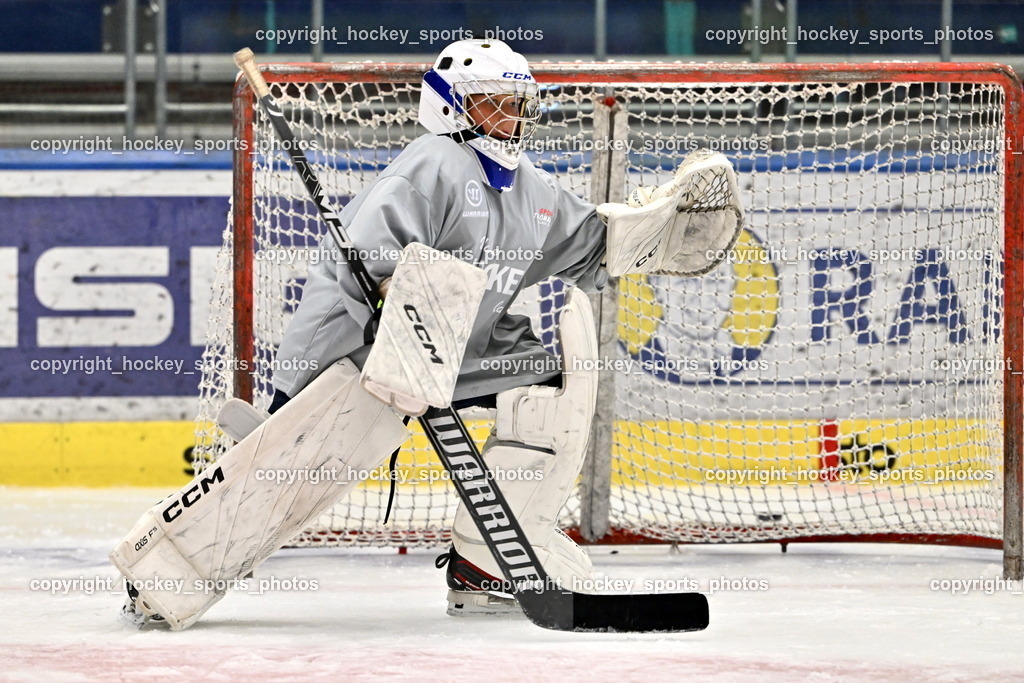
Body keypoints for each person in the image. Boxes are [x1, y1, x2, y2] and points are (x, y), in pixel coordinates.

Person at [268, 38, 608, 616]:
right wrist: (393, 295)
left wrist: (656, 229)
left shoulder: (532, 187)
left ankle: (486, 561)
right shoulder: (434, 162)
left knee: (548, 395)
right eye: (494, 102)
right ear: (451, 105)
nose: (512, 118)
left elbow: (593, 244)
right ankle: (178, 556)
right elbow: (374, 254)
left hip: (462, 353)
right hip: (359, 349)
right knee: (278, 479)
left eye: (519, 103)